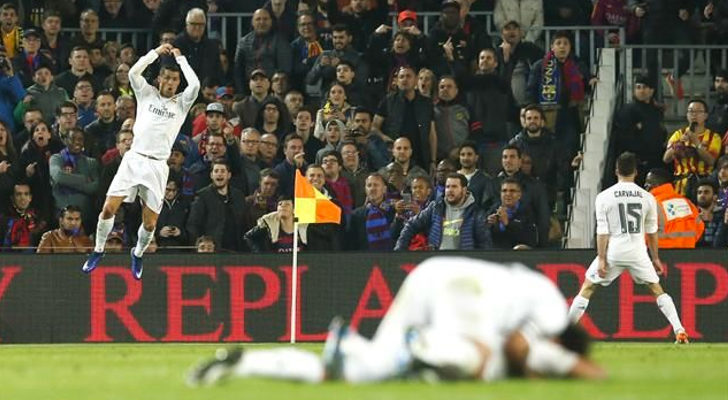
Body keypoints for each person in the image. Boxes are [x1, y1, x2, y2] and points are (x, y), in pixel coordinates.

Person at [188, 256, 605, 386]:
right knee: (480, 360)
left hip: (430, 274)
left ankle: (240, 362)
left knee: (361, 371)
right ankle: (420, 350)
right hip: (459, 285)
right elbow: (521, 347)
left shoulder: (533, 297)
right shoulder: (553, 309)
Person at [82, 43, 200, 280]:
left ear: (178, 82)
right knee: (108, 209)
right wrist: (155, 53)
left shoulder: (181, 104)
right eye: (166, 77)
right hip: (133, 159)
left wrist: (180, 58)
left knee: (149, 224)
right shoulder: (146, 94)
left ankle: (138, 253)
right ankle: (98, 250)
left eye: (174, 79)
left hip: (157, 166)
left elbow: (195, 84)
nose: (169, 82)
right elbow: (134, 72)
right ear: (159, 79)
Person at [567, 152, 689, 344]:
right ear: (636, 172)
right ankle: (679, 329)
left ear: (616, 171)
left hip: (613, 251)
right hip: (638, 252)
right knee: (657, 289)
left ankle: (565, 333)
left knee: (588, 288)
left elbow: (602, 231)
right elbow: (652, 231)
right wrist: (655, 257)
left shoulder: (604, 197)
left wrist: (601, 258)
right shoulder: (647, 197)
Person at [395, 173, 491, 251]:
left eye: (454, 187)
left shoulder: (476, 213)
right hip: (437, 263)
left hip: (463, 265)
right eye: (447, 187)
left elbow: (484, 245)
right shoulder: (436, 207)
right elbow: (411, 225)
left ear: (464, 190)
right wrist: (400, 249)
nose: (449, 190)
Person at [186, 159, 249, 252]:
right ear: (211, 175)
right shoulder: (202, 196)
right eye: (216, 171)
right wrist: (200, 246)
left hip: (236, 250)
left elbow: (244, 223)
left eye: (223, 171)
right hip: (212, 251)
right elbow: (193, 225)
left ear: (229, 175)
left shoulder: (238, 196)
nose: (219, 174)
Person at [662, 99, 722, 197]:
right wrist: (678, 144)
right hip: (681, 184)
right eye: (691, 111)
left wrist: (696, 142)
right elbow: (666, 159)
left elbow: (711, 161)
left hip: (704, 183)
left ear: (706, 115)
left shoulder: (714, 137)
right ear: (687, 115)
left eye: (698, 111)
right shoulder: (678, 134)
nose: (694, 115)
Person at [645, 168, 704, 249]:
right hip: (687, 255)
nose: (645, 186)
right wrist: (687, 242)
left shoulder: (651, 205)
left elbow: (643, 236)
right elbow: (700, 227)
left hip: (661, 255)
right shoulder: (687, 203)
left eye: (647, 183)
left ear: (652, 186)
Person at [695, 178, 725, 248]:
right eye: (699, 192)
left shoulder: (723, 216)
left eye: (706, 192)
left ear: (715, 197)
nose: (702, 195)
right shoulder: (691, 217)